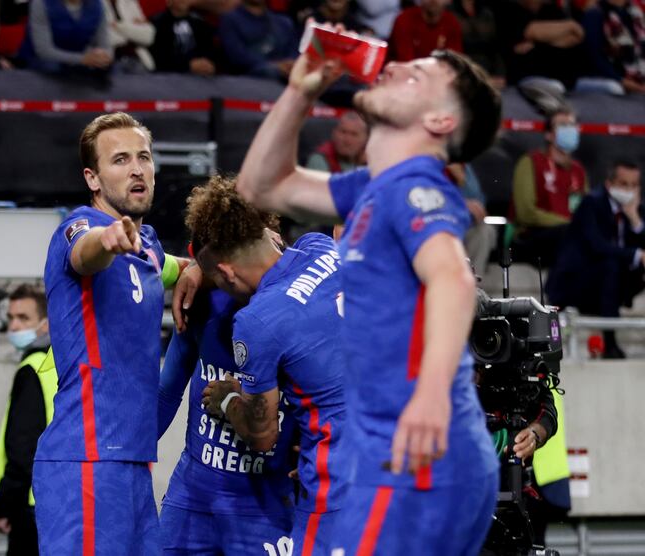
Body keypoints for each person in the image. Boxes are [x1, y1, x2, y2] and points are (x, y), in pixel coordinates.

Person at [234, 48, 501, 554]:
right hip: (390, 453)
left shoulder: (415, 188)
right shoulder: (372, 188)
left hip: (417, 455)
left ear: (440, 120)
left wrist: (429, 395)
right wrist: (300, 92)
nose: (396, 66)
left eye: (418, 74)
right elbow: (261, 185)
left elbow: (453, 279)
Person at [33, 112, 186, 555]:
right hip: (85, 461)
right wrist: (109, 241)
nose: (137, 168)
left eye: (144, 157)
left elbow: (182, 270)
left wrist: (202, 274)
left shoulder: (150, 245)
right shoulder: (79, 228)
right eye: (120, 160)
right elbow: (85, 253)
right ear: (93, 178)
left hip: (133, 462)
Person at [188, 177, 348, 556]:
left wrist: (227, 401)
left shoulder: (257, 321)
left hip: (339, 488)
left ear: (226, 273)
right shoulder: (322, 247)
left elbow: (262, 435)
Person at [158, 197, 297, 555]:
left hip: (266, 504)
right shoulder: (205, 298)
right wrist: (122, 454)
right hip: (192, 496)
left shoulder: (300, 305)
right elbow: (166, 391)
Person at [0, 284, 54, 556]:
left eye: (24, 318)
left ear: (45, 324)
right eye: (11, 318)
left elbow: (22, 449)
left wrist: (4, 506)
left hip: (30, 508)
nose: (14, 326)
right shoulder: (61, 366)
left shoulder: (31, 369)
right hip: (62, 502)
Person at [546, 159, 645, 359]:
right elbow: (597, 247)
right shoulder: (591, 203)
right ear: (610, 184)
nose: (630, 190)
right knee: (611, 264)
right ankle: (610, 343)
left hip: (610, 286)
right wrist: (637, 254)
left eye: (634, 185)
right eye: (624, 184)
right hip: (576, 283)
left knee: (625, 266)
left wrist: (635, 220)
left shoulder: (635, 209)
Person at [510, 107, 588, 266]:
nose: (570, 130)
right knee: (570, 235)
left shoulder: (578, 170)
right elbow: (526, 213)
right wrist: (567, 223)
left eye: (572, 125)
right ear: (548, 134)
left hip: (569, 234)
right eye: (563, 125)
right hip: (533, 236)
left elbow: (586, 211)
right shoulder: (531, 162)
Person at [15, 0, 114, 73]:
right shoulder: (41, 4)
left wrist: (104, 56)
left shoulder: (98, 5)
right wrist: (82, 59)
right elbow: (44, 51)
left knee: (107, 69)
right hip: (39, 61)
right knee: (52, 69)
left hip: (80, 60)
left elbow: (105, 44)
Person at [218, 0, 297, 79]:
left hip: (287, 74)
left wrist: (290, 63)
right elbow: (237, 56)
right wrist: (273, 66)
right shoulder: (230, 20)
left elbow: (294, 50)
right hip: (250, 76)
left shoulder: (283, 22)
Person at [581, 0, 645, 95]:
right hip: (609, 79)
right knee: (614, 88)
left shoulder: (636, 13)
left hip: (638, 77)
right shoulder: (595, 14)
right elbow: (594, 57)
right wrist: (621, 80)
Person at [447, 162, 497, 276]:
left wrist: (462, 181)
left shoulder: (465, 166)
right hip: (441, 227)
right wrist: (461, 203)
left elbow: (479, 200)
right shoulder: (429, 164)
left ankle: (474, 285)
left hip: (467, 225)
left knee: (485, 232)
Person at [150, 0, 216, 76]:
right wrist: (188, 65)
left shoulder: (200, 22)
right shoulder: (158, 23)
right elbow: (160, 58)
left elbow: (209, 50)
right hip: (170, 75)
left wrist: (208, 65)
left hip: (201, 75)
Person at [388, 0, 463, 61]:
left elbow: (454, 62)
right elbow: (405, 62)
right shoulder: (404, 19)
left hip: (436, 75)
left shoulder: (452, 23)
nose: (433, 0)